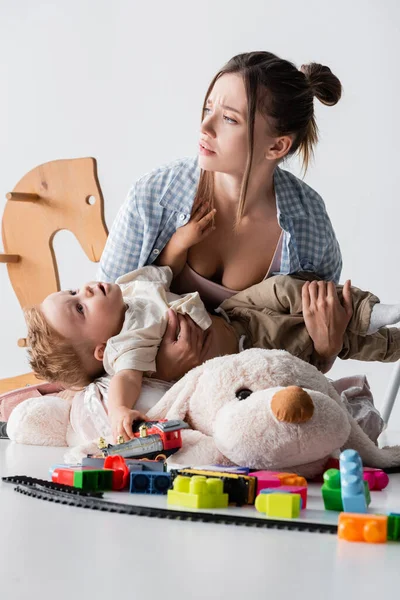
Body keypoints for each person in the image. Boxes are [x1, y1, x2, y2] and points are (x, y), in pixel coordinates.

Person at [97, 51, 346, 381]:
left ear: (277, 146)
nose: (204, 126)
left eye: (229, 119)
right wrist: (162, 366)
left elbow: (308, 365)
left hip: (252, 397)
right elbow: (98, 328)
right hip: (143, 389)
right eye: (207, 108)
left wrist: (329, 347)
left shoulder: (308, 224)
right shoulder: (155, 197)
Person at [24, 263, 400, 441]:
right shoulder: (128, 344)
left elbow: (168, 264)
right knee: (322, 330)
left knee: (290, 288)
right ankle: (390, 342)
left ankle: (371, 310)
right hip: (253, 347)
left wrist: (187, 235)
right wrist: (121, 409)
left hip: (236, 312)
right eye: (79, 309)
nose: (85, 291)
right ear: (101, 349)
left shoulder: (129, 287)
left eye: (73, 290)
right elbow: (126, 379)